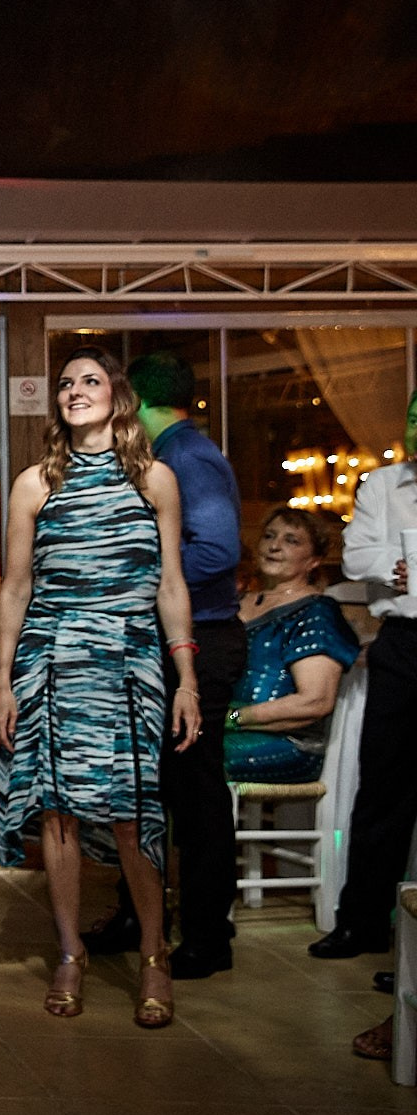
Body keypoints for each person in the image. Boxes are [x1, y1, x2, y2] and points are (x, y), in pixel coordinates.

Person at [0, 347, 201, 1028]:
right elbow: (15, 587)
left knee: (134, 813)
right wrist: (3, 681)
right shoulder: (34, 484)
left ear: (119, 395)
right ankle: (70, 952)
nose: (75, 391)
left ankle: (154, 954)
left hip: (129, 658)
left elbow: (170, 584)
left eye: (90, 380)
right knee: (57, 812)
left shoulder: (155, 479)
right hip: (52, 656)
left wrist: (185, 675)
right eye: (66, 383)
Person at [85, 352, 247, 978]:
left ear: (134, 398)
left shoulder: (189, 459)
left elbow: (216, 550)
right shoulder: (166, 457)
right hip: (165, 643)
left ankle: (210, 936)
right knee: (148, 792)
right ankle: (139, 916)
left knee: (196, 796)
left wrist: (132, 567)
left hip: (201, 642)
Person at [316, 386, 417, 960]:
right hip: (403, 644)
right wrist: (397, 567)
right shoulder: (383, 484)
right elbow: (357, 556)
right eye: (412, 415)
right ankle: (361, 921)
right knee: (382, 792)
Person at [223, 511, 359, 784]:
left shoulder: (316, 612)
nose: (274, 546)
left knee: (187, 762)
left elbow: (314, 702)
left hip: (288, 743)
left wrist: (232, 717)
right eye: (269, 536)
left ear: (314, 560)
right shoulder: (233, 602)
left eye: (291, 541)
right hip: (223, 730)